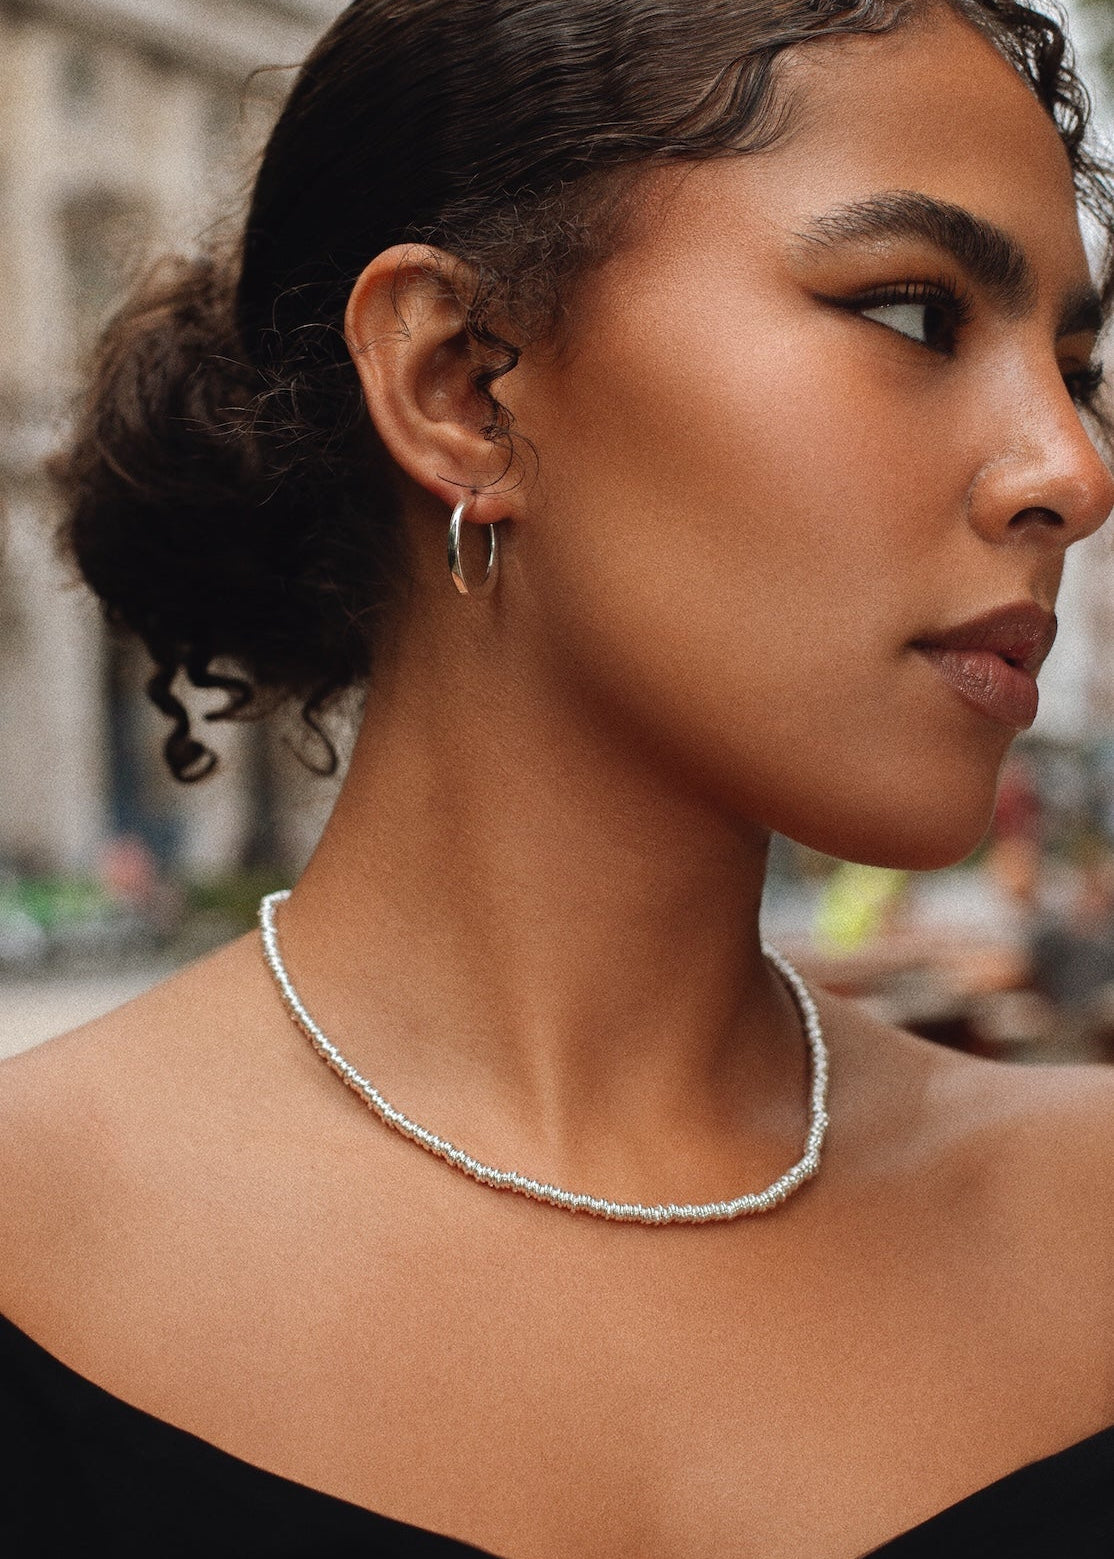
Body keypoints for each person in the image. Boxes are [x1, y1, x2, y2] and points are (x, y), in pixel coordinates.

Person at [1, 0, 1112, 1553]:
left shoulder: (1093, 1221)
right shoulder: (33, 1243)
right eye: (917, 316)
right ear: (464, 385)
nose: (1070, 469)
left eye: (1079, 368)